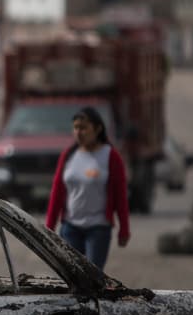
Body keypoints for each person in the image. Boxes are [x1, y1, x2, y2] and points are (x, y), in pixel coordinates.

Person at [44, 106, 131, 270]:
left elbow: (121, 197)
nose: (79, 132)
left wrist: (124, 230)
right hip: (70, 227)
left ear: (97, 129)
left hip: (98, 228)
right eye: (76, 128)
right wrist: (49, 228)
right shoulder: (68, 155)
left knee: (92, 276)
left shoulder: (110, 156)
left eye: (84, 128)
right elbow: (57, 193)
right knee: (71, 274)